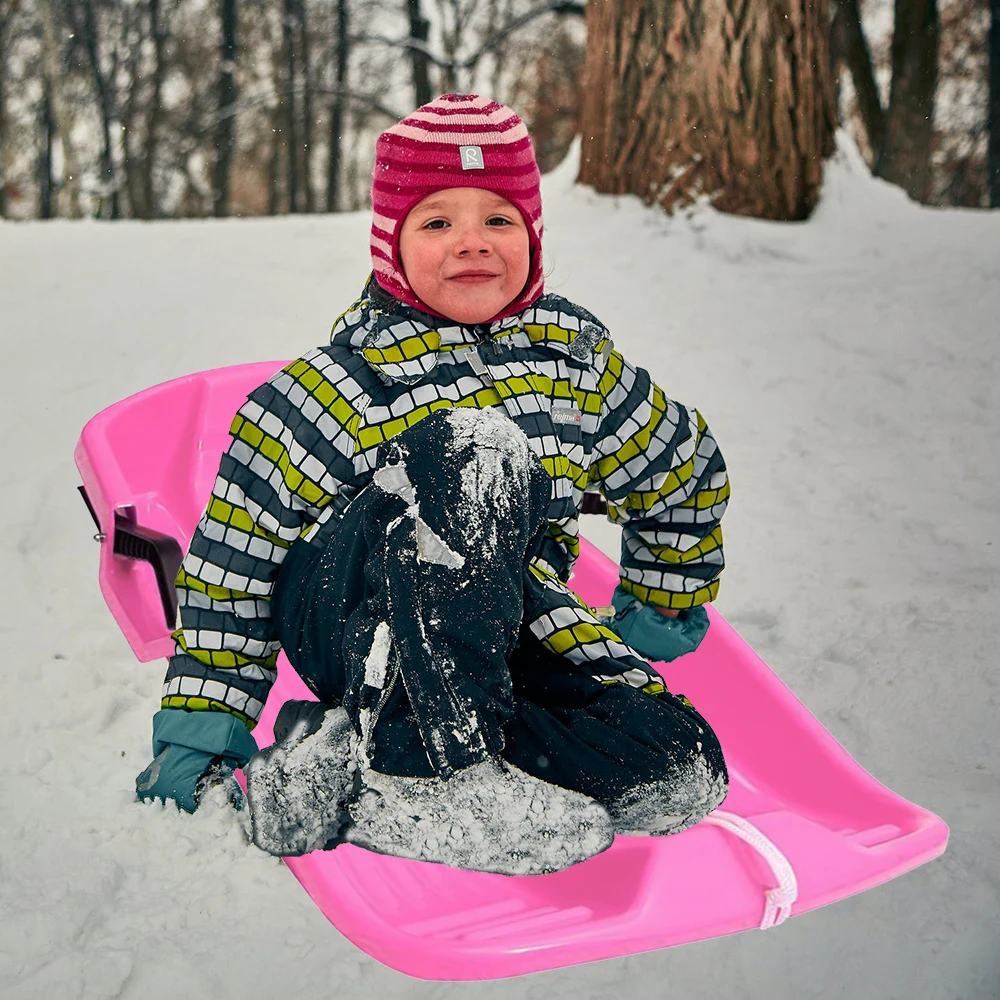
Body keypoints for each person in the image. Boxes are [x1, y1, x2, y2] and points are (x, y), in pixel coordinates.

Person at [135, 93, 730, 876]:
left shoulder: (576, 373)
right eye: (438, 221)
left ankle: (348, 781)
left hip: (504, 638)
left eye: (498, 220)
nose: (472, 242)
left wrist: (659, 608)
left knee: (683, 767)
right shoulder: (332, 390)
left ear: (533, 239)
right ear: (392, 246)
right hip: (359, 617)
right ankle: (427, 767)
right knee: (474, 447)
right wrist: (199, 733)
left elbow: (683, 468)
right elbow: (232, 568)